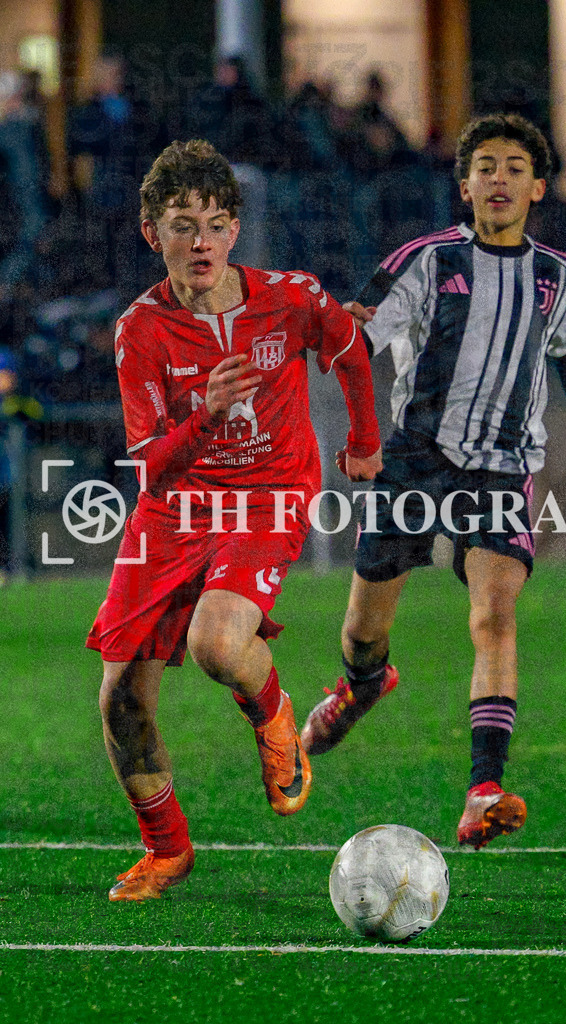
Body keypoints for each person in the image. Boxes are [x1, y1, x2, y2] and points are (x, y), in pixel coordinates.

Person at [301, 113, 566, 850]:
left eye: (515, 167)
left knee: (495, 617)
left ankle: (484, 789)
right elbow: (359, 336)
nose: (499, 178)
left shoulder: (558, 277)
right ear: (465, 184)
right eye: (486, 166)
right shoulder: (426, 259)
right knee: (363, 632)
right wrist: (330, 335)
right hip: (412, 460)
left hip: (505, 467)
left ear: (538, 187)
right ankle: (362, 684)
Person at [86, 139, 382, 901]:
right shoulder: (141, 331)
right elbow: (151, 463)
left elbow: (351, 348)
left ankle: (275, 713)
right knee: (120, 701)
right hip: (173, 507)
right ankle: (169, 851)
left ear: (235, 231)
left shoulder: (290, 297)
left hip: (269, 492)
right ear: (152, 233)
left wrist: (362, 442)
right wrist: (208, 415)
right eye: (183, 225)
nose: (202, 242)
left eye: (216, 223)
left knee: (218, 642)